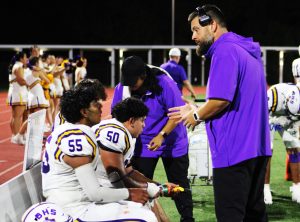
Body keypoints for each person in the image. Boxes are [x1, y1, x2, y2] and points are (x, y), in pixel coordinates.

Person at [168, 4, 272, 222]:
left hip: (234, 152)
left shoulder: (223, 50)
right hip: (257, 149)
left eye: (196, 29)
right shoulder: (247, 51)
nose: (193, 36)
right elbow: (237, 101)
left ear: (212, 25)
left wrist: (195, 116)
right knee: (254, 215)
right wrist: (199, 108)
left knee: (230, 216)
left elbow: (220, 100)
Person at [41, 80, 157, 221]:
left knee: (141, 208)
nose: (101, 107)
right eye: (96, 104)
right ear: (84, 112)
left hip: (78, 202)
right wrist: (130, 193)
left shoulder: (76, 130)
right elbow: (95, 193)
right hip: (73, 209)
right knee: (146, 218)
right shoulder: (75, 136)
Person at [111, 55, 194, 222]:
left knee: (179, 183)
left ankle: (187, 218)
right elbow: (116, 115)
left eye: (134, 83)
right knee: (139, 182)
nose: (131, 87)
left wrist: (161, 135)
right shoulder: (124, 87)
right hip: (143, 143)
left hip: (173, 141)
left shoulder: (164, 83)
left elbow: (176, 114)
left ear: (143, 77)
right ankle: (140, 217)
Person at [266, 83, 300, 204]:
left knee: (294, 146)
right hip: (271, 116)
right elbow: (262, 116)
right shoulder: (272, 96)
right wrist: (277, 122)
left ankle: (297, 187)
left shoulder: (297, 97)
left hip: (290, 118)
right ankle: (265, 189)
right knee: (267, 149)